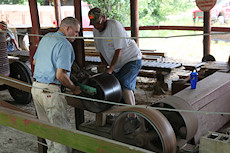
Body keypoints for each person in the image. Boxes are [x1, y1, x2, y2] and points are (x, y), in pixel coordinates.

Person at [31, 17, 82, 153]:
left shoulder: (46, 38)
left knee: (48, 131)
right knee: (61, 133)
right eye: (76, 32)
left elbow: (35, 62)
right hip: (50, 93)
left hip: (36, 89)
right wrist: (74, 88)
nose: (77, 36)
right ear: (67, 29)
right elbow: (61, 76)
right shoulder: (65, 45)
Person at [88, 8, 142, 115]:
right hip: (117, 64)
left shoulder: (114, 26)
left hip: (131, 59)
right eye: (94, 24)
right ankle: (112, 115)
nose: (97, 26)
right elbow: (100, 50)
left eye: (98, 23)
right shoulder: (96, 31)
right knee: (111, 88)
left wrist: (110, 69)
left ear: (103, 18)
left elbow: (119, 50)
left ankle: (133, 117)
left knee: (124, 84)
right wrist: (104, 65)